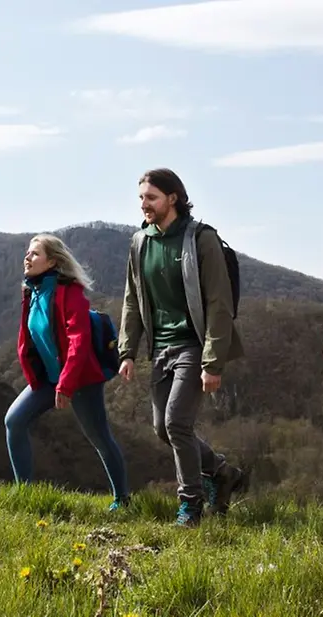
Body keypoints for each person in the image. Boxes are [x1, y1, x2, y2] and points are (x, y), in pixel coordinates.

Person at [118, 167, 249, 528]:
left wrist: (213, 361)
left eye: (151, 198)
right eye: (141, 198)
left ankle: (190, 506)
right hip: (160, 349)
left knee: (177, 422)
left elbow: (219, 303)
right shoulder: (140, 242)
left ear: (172, 198)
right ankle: (222, 472)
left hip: (194, 345)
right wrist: (127, 350)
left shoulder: (200, 239)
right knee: (164, 428)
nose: (144, 204)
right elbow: (133, 299)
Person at [6, 233, 130, 511]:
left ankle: (122, 499)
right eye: (28, 252)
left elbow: (79, 341)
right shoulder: (32, 292)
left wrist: (66, 385)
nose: (27, 257)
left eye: (35, 254)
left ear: (52, 262)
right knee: (14, 421)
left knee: (99, 438)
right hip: (50, 378)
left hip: (80, 378)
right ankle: (24, 495)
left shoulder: (70, 293)